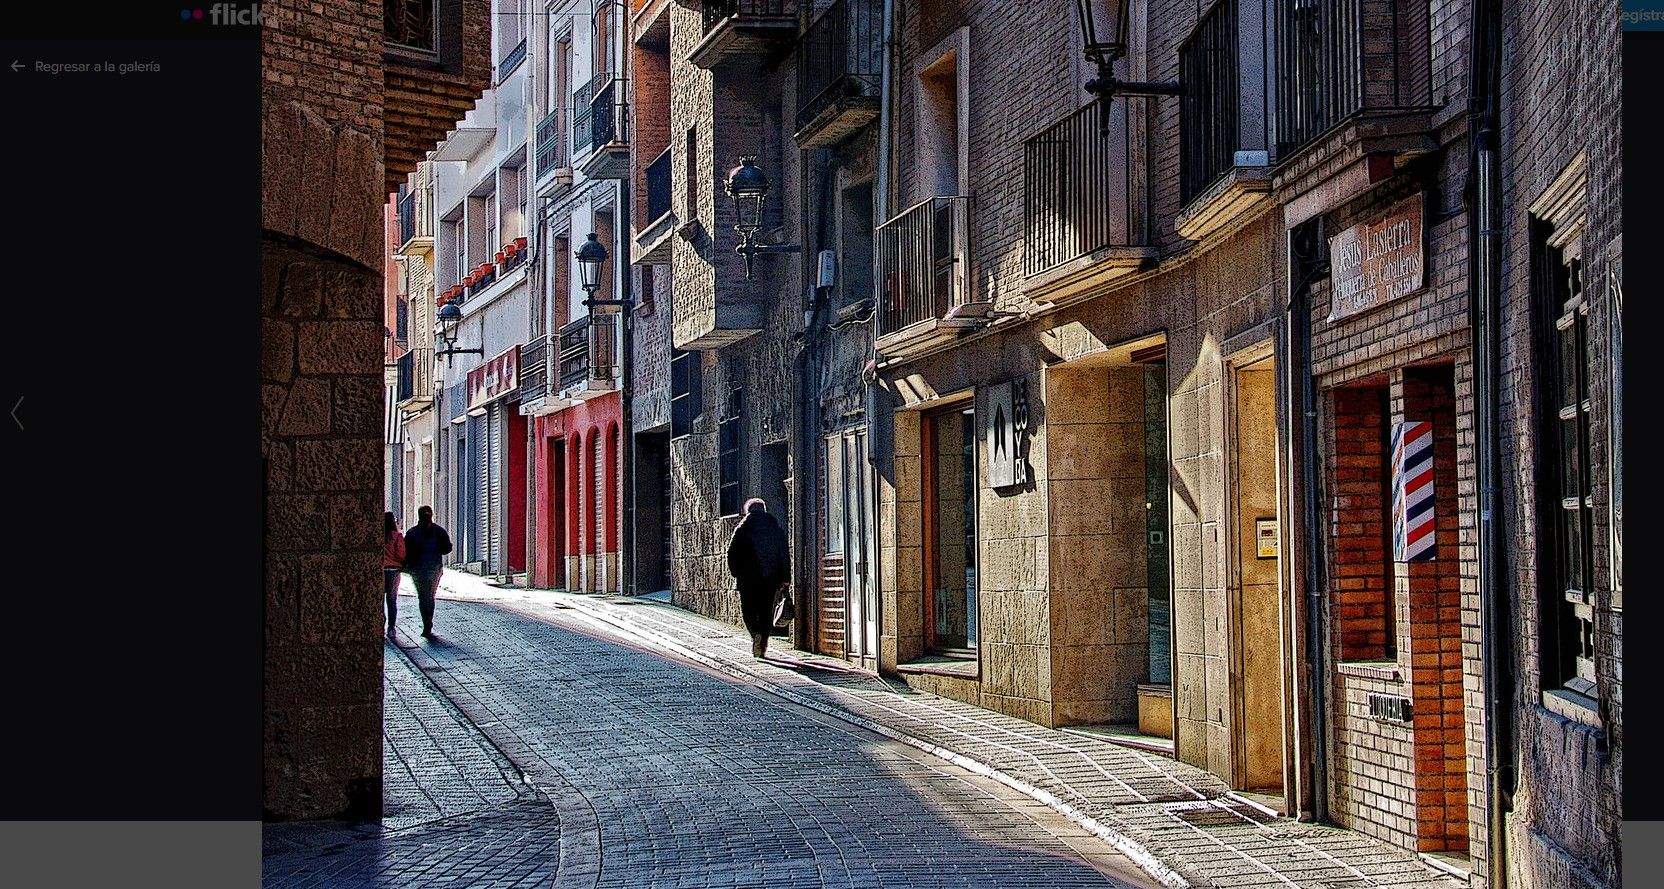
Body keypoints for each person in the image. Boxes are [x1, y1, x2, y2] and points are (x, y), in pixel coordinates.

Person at [726, 498, 791, 658]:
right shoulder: (775, 527)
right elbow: (784, 553)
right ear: (764, 509)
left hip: (747, 580)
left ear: (748, 510)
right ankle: (762, 643)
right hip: (769, 578)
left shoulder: (742, 529)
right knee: (766, 611)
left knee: (748, 610)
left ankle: (755, 634)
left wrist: (736, 572)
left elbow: (731, 553)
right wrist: (785, 577)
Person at [402, 505, 452, 639]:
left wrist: (407, 565)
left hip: (418, 569)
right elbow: (447, 548)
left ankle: (427, 623)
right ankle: (428, 622)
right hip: (434, 567)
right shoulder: (439, 531)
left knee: (423, 596)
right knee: (430, 595)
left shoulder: (412, 533)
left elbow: (405, 552)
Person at [382, 512, 406, 639]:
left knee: (379, 601)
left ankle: (380, 625)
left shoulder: (377, 536)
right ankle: (391, 628)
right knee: (392, 601)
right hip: (393, 571)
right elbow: (401, 555)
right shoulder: (397, 536)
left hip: (380, 571)